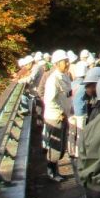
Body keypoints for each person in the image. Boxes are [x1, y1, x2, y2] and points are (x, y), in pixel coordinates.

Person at [43, 49, 73, 182]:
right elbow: (49, 100)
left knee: (60, 145)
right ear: (56, 64)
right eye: (64, 62)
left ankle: (56, 171)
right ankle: (51, 173)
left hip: (63, 115)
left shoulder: (65, 76)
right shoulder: (53, 79)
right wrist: (60, 112)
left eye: (67, 61)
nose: (67, 64)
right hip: (55, 117)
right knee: (54, 145)